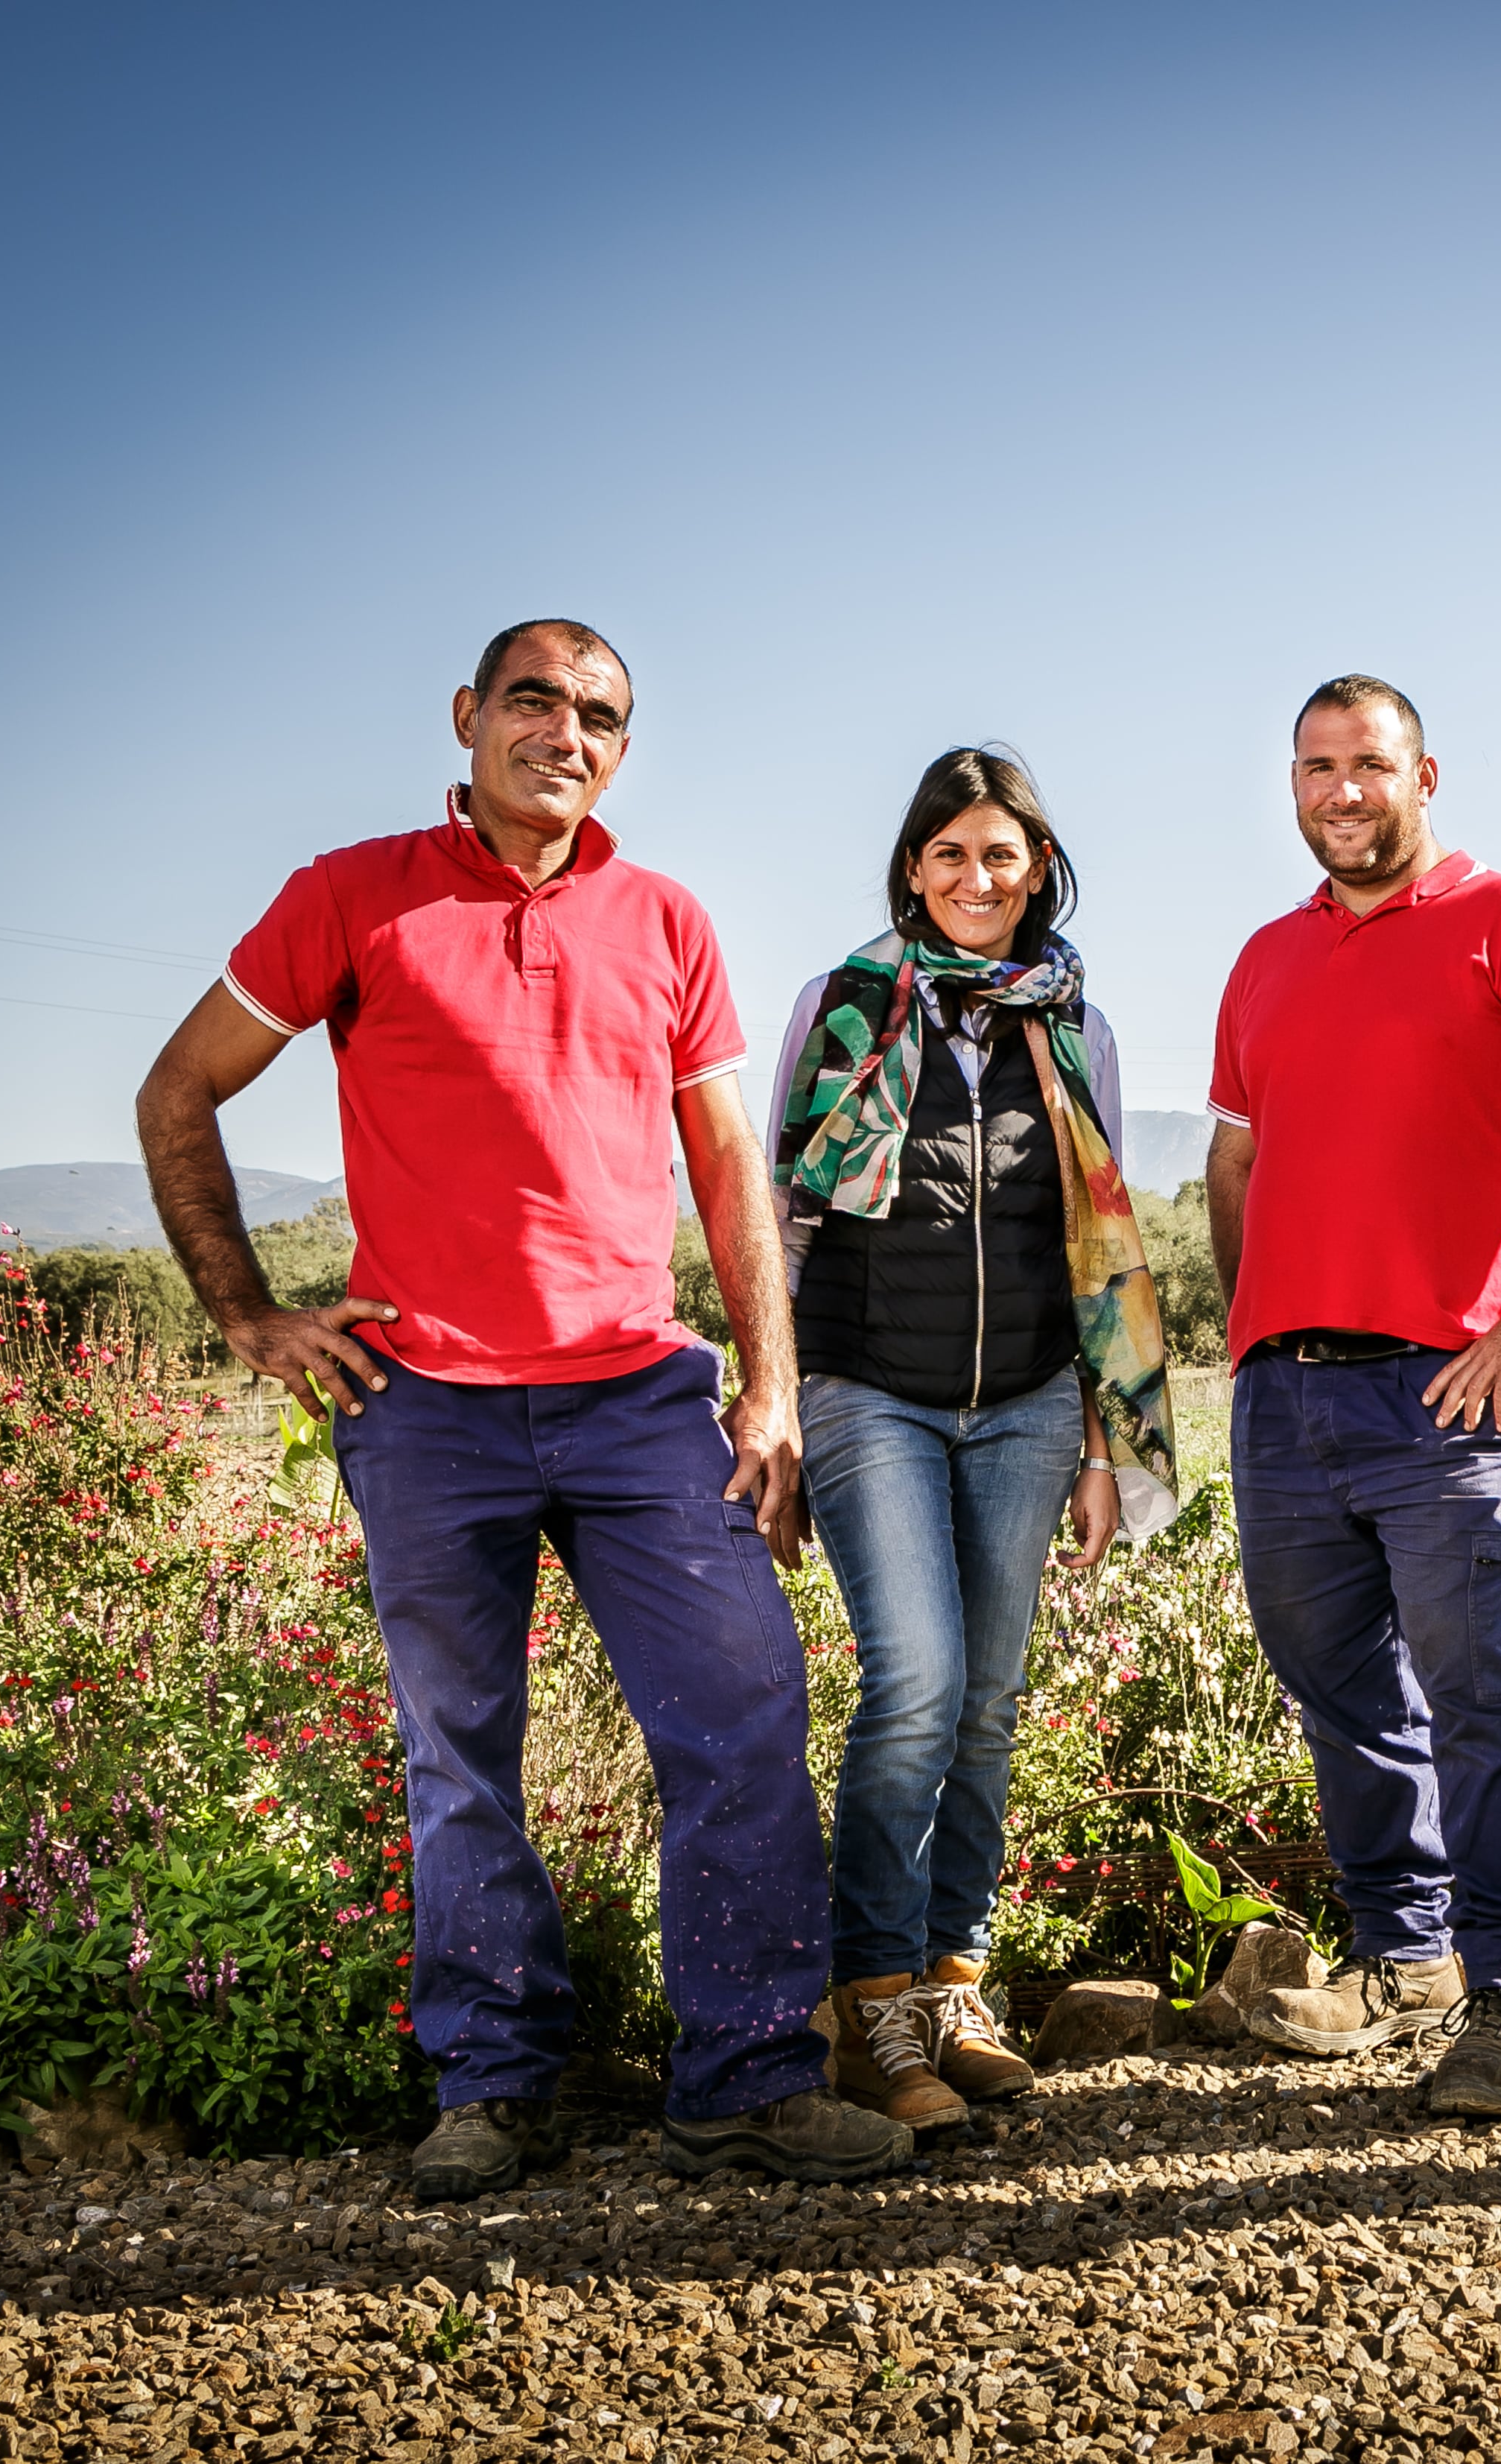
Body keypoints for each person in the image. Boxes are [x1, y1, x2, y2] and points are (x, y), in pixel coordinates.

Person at [138, 620, 910, 2199]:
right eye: (537, 699)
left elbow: (725, 1177)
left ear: (621, 749)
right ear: (470, 715)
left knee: (747, 1714)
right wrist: (247, 1317)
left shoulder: (666, 919)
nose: (567, 730)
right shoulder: (351, 895)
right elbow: (177, 1089)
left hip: (639, 1400)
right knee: (456, 1754)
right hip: (427, 1411)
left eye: (601, 714)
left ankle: (749, 2078)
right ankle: (491, 2085)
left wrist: (766, 1387)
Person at [1210, 674, 1501, 2120]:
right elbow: (1234, 1164)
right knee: (1341, 1691)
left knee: (1475, 1687)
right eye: (1316, 766)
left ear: (1424, 774)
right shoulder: (1265, 958)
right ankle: (1407, 1956)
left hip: (1450, 1393)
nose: (1341, 791)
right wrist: (1251, 1335)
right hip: (1287, 1396)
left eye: (1368, 765)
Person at [768, 746, 1181, 2135]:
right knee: (918, 1683)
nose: (974, 878)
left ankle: (954, 1984)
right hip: (867, 1388)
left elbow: (1095, 1241)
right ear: (911, 868)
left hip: (1023, 1403)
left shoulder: (1076, 1029)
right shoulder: (842, 1010)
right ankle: (869, 2007)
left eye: (1000, 855)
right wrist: (767, 1400)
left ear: (1037, 869)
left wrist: (1097, 1444)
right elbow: (784, 1218)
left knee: (990, 1702)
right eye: (948, 854)